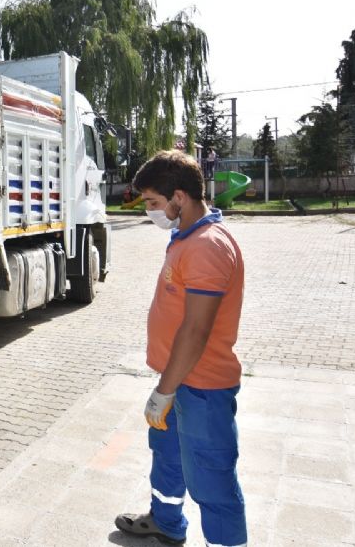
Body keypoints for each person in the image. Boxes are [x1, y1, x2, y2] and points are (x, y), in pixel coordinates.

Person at [115, 150, 247, 547]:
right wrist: (168, 384)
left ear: (179, 197)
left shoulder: (207, 246)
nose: (151, 211)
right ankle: (167, 521)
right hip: (178, 379)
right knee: (168, 457)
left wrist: (165, 390)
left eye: (154, 203)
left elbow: (196, 330)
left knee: (211, 479)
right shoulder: (188, 235)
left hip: (200, 386)